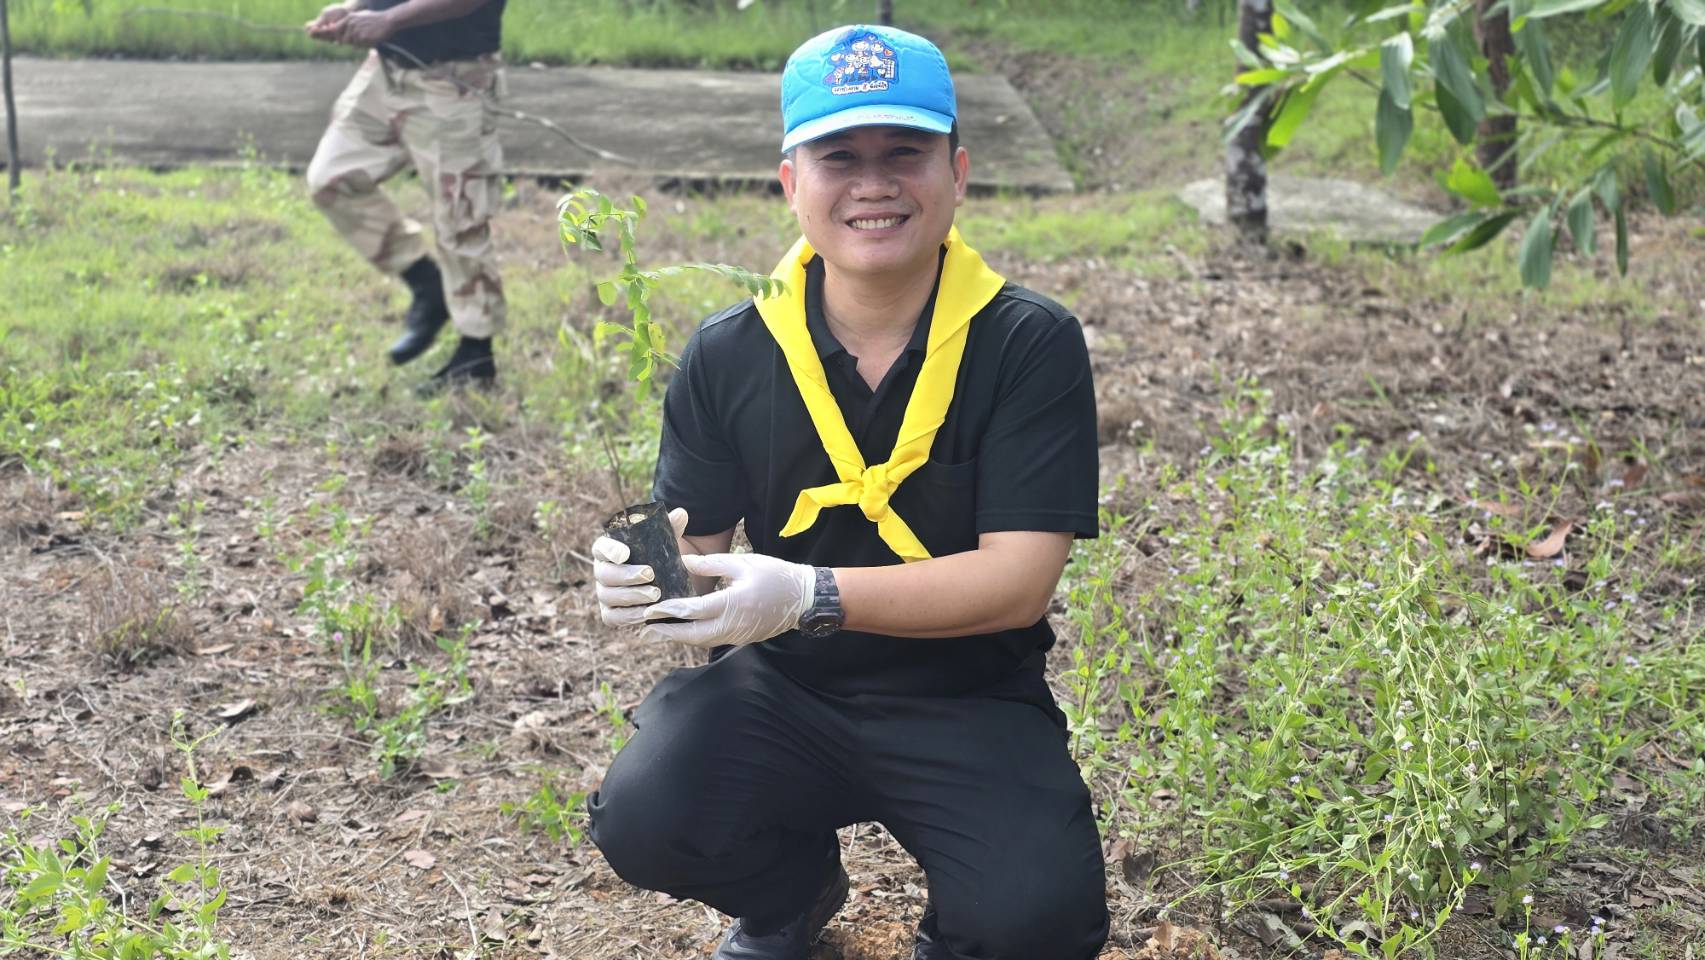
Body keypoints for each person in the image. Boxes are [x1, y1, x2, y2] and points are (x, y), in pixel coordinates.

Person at [586, 24, 1108, 960]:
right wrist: (650, 575)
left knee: (1036, 919)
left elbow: (1019, 582)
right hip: (781, 686)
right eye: (839, 157)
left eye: (903, 153)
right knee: (644, 814)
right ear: (791, 182)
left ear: (957, 171)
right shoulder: (729, 352)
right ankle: (790, 897)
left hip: (969, 693)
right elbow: (699, 548)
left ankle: (962, 929)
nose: (873, 184)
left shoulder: (1027, 344)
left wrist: (808, 592)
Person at [303, 0, 508, 392]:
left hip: (455, 80)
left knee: (460, 220)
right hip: (385, 72)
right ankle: (427, 285)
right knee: (330, 178)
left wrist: (389, 19)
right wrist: (353, 10)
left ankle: (476, 356)